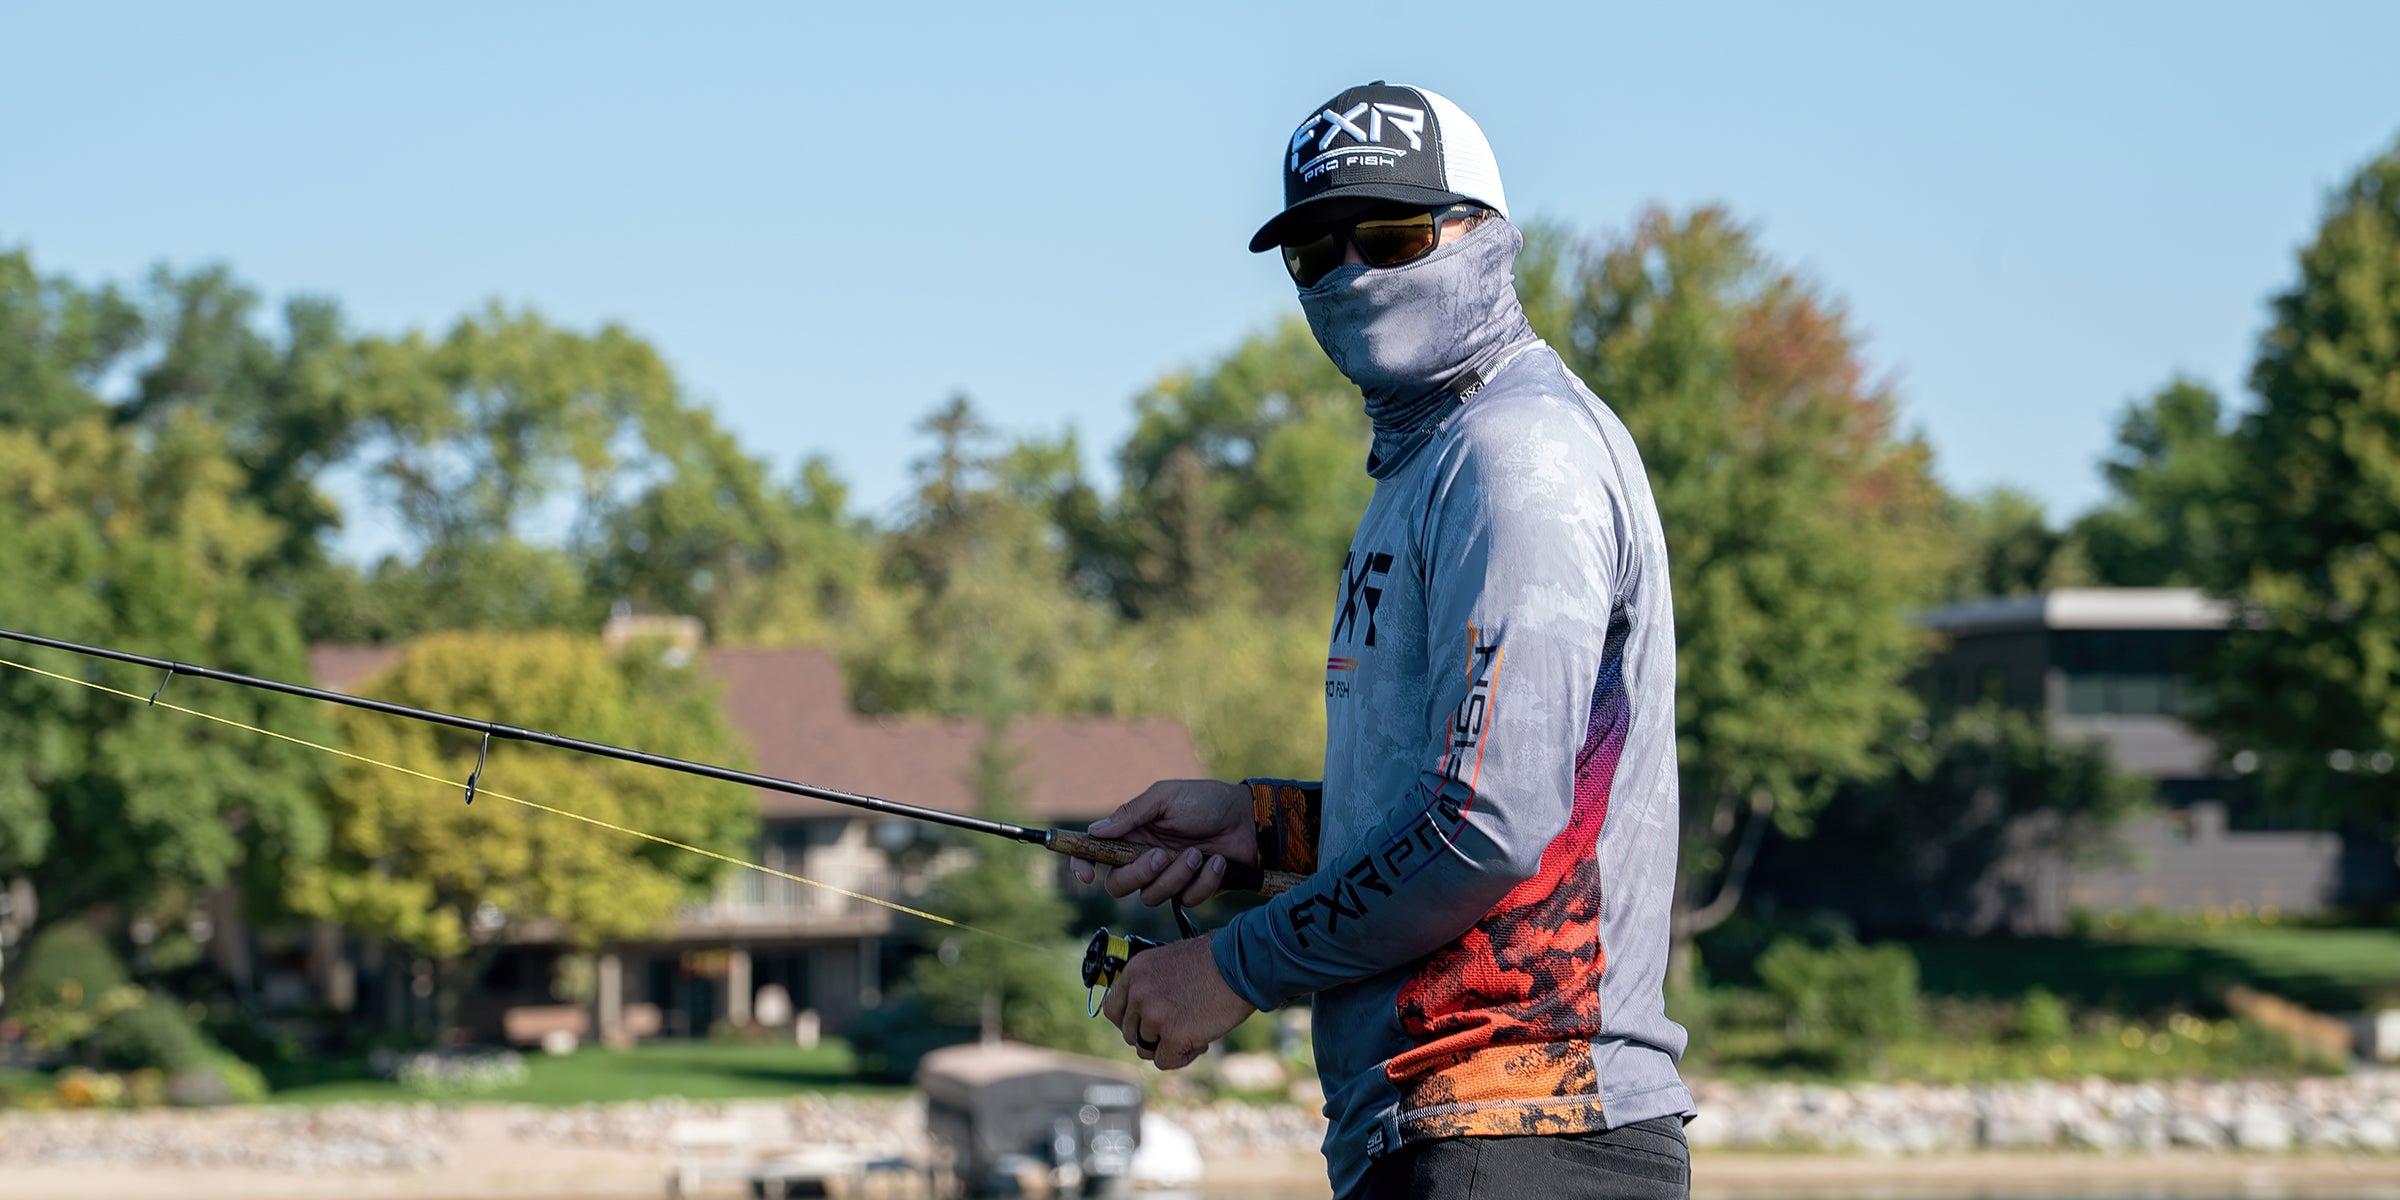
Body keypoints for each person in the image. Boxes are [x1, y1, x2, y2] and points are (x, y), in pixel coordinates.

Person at [1074, 81, 1695, 1199]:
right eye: (1315, 248)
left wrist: (1232, 966)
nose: (1356, 268)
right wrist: (1265, 829)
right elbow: (1490, 803)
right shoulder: (1433, 461)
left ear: (1489, 239)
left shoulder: (1518, 460)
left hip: (1519, 1135)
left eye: (1398, 232)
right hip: (1445, 1141)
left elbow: (1487, 828)